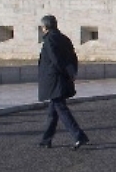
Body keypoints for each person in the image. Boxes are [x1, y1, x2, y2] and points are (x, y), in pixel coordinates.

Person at [37, 14, 90, 149]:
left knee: (61, 109)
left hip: (55, 80)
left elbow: (55, 60)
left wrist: (61, 72)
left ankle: (78, 136)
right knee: (53, 111)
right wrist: (71, 73)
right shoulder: (64, 38)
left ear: (46, 27)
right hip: (62, 79)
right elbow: (73, 57)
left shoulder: (49, 40)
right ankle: (46, 139)